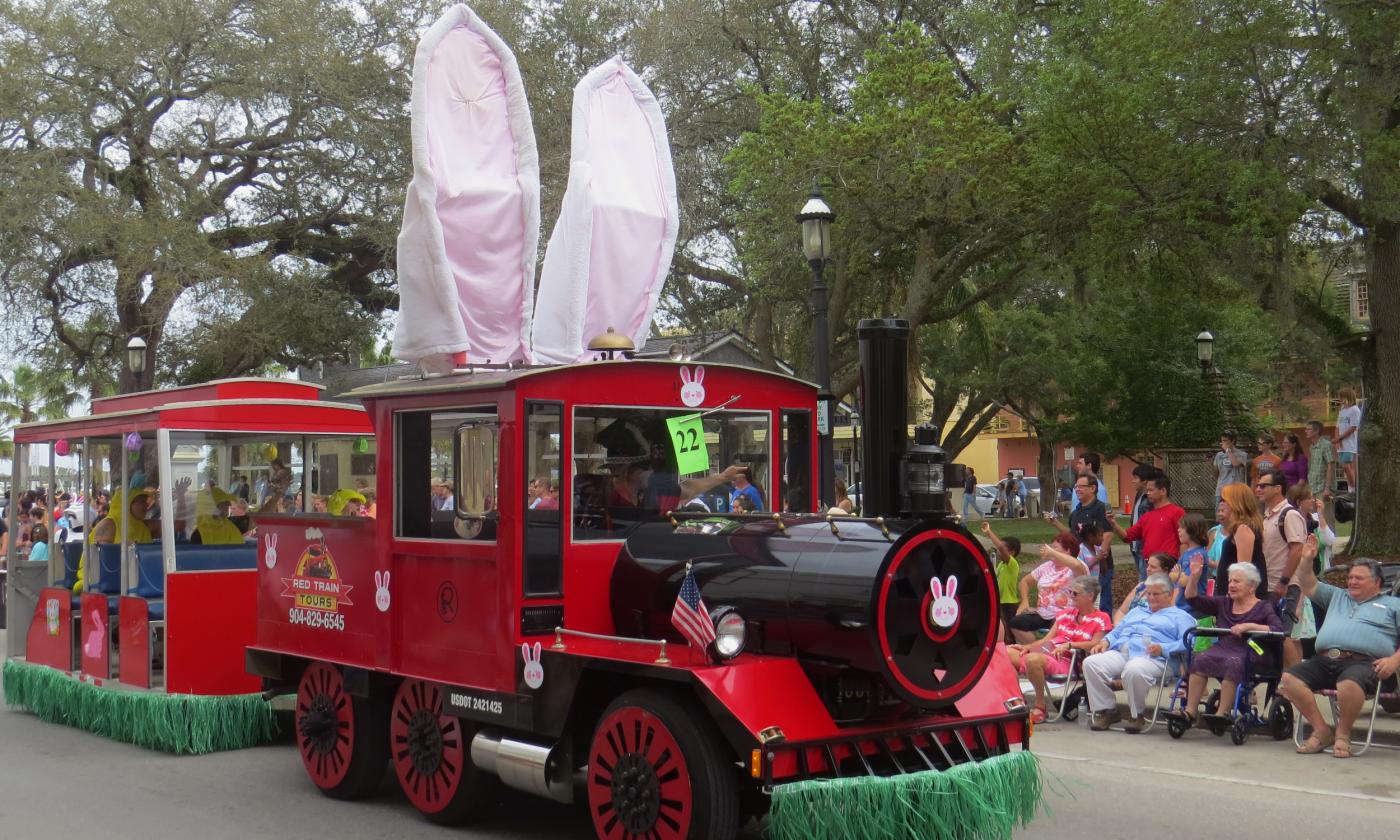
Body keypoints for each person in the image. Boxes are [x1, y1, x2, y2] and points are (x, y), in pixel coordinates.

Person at [1281, 550, 1400, 759]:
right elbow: (1307, 583)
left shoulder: (1393, 605)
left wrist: (1394, 660)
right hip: (1325, 659)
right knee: (1290, 678)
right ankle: (1321, 730)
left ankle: (1343, 735)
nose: (1352, 582)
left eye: (1359, 578)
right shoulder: (1338, 596)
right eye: (1350, 577)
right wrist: (1307, 559)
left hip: (1366, 663)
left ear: (1377, 582)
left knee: (1349, 684)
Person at [1083, 574, 1198, 732]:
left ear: (1169, 595)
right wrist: (1105, 642)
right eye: (1148, 593)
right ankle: (1107, 710)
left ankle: (1136, 715)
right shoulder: (1137, 611)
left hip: (1155, 658)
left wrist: (1163, 648)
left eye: (1155, 594)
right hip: (1123, 651)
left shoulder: (1181, 617)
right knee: (1091, 663)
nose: (1150, 597)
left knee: (1134, 668)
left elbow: (1188, 642)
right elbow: (1118, 631)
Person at [1180, 563, 1284, 727]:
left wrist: (1248, 626)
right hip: (1225, 647)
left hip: (1254, 650)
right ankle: (1190, 712)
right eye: (1230, 581)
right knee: (1200, 658)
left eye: (1237, 581)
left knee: (1233, 662)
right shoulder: (1224, 603)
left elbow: (1277, 629)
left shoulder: (1264, 607)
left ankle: (1222, 713)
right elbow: (1193, 599)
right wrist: (1194, 577)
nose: (1231, 585)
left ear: (1251, 586)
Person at [1007, 576, 1110, 723]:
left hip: (1069, 660)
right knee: (1003, 653)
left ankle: (1040, 706)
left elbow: (1095, 643)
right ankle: (1018, 701)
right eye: (1070, 592)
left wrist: (1070, 645)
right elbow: (1046, 640)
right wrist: (1026, 647)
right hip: (1048, 652)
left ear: (1090, 596)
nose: (1071, 596)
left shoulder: (1101, 618)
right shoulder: (1065, 614)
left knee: (1033, 659)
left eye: (1075, 593)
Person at [1048, 473, 1115, 612]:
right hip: (1079, 565)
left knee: (1101, 602)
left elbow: (1108, 533)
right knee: (1081, 600)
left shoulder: (1101, 508)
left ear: (1092, 488)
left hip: (1099, 567)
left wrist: (1099, 557)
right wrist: (1055, 523)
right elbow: (1072, 534)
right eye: (1076, 487)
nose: (1077, 489)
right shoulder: (1076, 512)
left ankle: (1105, 630)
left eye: (1081, 486)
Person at [1008, 533, 1089, 644]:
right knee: (1015, 623)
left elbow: (1077, 566)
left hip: (1066, 614)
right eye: (1051, 547)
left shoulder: (1076, 567)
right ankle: (1035, 650)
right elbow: (1024, 582)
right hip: (1043, 614)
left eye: (1055, 547)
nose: (1051, 550)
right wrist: (1025, 601)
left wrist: (1052, 552)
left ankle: (1049, 653)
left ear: (1068, 550)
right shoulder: (1047, 566)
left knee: (1058, 626)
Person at [77, 488, 155, 593]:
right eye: (141, 502)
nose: (146, 506)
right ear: (127, 504)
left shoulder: (143, 528)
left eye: (146, 502)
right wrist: (123, 548)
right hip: (96, 580)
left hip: (133, 581)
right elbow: (103, 564)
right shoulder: (109, 524)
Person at [1112, 472, 1184, 562]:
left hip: (1169, 566)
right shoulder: (1147, 516)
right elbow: (1127, 536)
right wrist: (1113, 523)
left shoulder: (1177, 512)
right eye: (1147, 490)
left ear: (1163, 491)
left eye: (1151, 490)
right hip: (1149, 566)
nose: (1148, 493)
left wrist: (1181, 565)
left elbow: (1184, 541)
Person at [1215, 483, 1268, 599]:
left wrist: (1232, 594)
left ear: (1236, 502)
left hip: (1238, 597)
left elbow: (1243, 568)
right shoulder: (1238, 528)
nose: (1222, 503)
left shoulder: (1243, 529)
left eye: (1225, 499)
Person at [981, 522, 1022, 640]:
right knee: (1001, 630)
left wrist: (989, 532)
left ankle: (1012, 650)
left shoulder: (1012, 564)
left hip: (1009, 604)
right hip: (1000, 602)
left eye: (1003, 549)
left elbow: (1000, 547)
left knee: (1010, 632)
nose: (999, 552)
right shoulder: (1001, 565)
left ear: (1012, 552)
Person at [1114, 552, 1176, 625]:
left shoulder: (1171, 591)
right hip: (1127, 628)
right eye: (1147, 565)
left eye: (1153, 567)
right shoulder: (1141, 586)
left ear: (1165, 570)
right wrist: (1119, 627)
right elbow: (1122, 611)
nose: (1148, 569)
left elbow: (1170, 616)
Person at [1126, 464, 1157, 578]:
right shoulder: (1139, 495)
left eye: (1136, 478)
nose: (1133, 481)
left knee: (1144, 582)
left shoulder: (1148, 501)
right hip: (1135, 546)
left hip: (1142, 547)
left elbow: (1146, 526)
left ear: (1144, 481)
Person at [1176, 513, 1212, 607]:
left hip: (1191, 607)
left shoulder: (1198, 555)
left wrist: (1178, 576)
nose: (1178, 530)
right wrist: (1179, 576)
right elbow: (1172, 575)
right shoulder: (1186, 553)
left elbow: (1185, 581)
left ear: (1193, 530)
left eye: (1182, 527)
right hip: (1181, 604)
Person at [1336, 388, 1361, 491]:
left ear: (1348, 397)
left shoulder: (1355, 410)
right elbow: (1337, 426)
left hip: (1349, 444)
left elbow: (1353, 427)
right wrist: (1338, 440)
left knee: (1347, 466)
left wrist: (1340, 438)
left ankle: (1353, 488)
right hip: (1341, 443)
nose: (1340, 399)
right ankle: (1351, 488)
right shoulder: (1342, 410)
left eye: (1342, 397)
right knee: (1345, 467)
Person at [1212, 432, 1248, 505]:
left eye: (1225, 440)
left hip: (1236, 491)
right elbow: (1216, 473)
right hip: (1222, 490)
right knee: (1221, 514)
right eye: (1222, 441)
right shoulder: (1219, 455)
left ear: (1233, 441)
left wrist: (1228, 451)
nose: (1222, 443)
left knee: (1236, 514)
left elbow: (1236, 464)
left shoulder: (1242, 454)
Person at [1304, 420, 1336, 501]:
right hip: (1313, 487)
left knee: (1323, 513)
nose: (1306, 431)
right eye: (1306, 429)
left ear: (1317, 431)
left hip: (1323, 488)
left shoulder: (1326, 445)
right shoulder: (1311, 446)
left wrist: (1327, 488)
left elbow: (1330, 466)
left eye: (1309, 429)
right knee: (1313, 513)